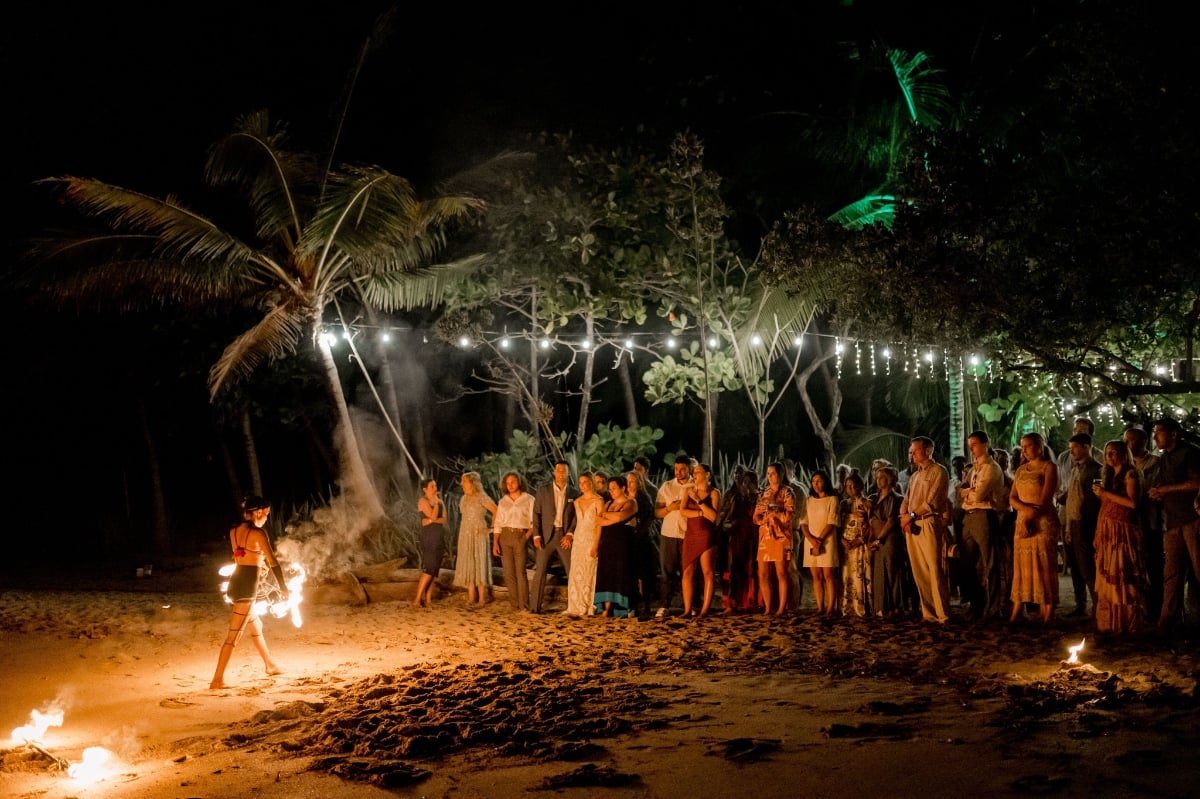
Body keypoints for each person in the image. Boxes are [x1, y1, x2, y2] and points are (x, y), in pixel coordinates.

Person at [210, 495, 287, 690]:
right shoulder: (258, 533)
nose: (267, 518)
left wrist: (258, 566)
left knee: (256, 626)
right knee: (233, 636)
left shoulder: (233, 531)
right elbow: (273, 561)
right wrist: (283, 587)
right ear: (258, 512)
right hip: (246, 589)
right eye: (266, 514)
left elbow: (241, 558)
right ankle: (217, 680)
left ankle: (270, 665)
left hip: (235, 584)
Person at [1147, 417, 1200, 633]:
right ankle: (1168, 620)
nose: (1155, 437)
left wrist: (1167, 490)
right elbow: (1164, 484)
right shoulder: (1163, 458)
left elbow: (1196, 482)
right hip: (1172, 521)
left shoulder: (1191, 453)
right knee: (1172, 572)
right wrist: (1157, 493)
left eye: (1159, 433)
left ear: (1173, 434)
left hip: (1192, 519)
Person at [1091, 440, 1148, 634]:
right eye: (1107, 453)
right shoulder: (1109, 475)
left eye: (1114, 453)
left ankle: (1127, 622)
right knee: (1107, 573)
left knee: (1122, 573)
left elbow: (1132, 503)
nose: (1109, 456)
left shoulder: (1131, 474)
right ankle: (1109, 622)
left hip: (1122, 531)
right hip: (1108, 528)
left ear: (1124, 454)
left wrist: (1105, 493)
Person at [899, 436, 954, 624]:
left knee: (934, 568)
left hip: (928, 523)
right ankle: (928, 612)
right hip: (912, 525)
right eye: (911, 451)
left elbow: (932, 502)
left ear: (928, 450)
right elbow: (906, 499)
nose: (912, 454)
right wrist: (904, 517)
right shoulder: (915, 476)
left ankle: (943, 613)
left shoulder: (939, 472)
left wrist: (911, 516)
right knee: (919, 569)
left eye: (916, 450)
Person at [1009, 432, 1060, 625]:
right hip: (1023, 519)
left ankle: (1047, 609)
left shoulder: (1049, 467)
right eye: (1023, 446)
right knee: (1022, 566)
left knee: (1043, 564)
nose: (1025, 450)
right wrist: (1025, 513)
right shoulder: (1021, 470)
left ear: (1039, 446)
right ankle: (1017, 609)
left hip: (1043, 520)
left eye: (1029, 445)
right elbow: (1012, 497)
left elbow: (1046, 498)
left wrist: (1031, 515)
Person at [958, 432, 1008, 621]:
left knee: (990, 562)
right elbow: (960, 490)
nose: (971, 448)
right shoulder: (975, 468)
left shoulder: (990, 468)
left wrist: (967, 493)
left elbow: (977, 496)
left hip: (984, 515)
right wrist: (967, 492)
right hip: (969, 516)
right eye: (969, 444)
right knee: (967, 563)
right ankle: (976, 604)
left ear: (986, 445)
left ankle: (993, 607)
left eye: (975, 444)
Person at [1057, 432, 1102, 616]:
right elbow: (1071, 498)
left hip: (1086, 522)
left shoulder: (1095, 470)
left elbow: (1094, 499)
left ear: (1086, 447)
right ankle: (1080, 603)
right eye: (1071, 448)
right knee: (1075, 565)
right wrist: (1068, 527)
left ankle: (1098, 604)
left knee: (1086, 565)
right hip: (1073, 521)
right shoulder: (1075, 469)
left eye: (1075, 448)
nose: (1072, 451)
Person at [1123, 425, 1163, 621]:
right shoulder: (1125, 466)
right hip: (1130, 523)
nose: (1126, 444)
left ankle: (1156, 608)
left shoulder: (1156, 463)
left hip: (1151, 521)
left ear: (1143, 442)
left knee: (1153, 565)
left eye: (1129, 440)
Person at [529, 461, 579, 614]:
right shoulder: (543, 491)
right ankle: (534, 607)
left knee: (572, 570)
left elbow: (577, 516)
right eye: (559, 470)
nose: (561, 473)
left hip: (564, 536)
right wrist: (536, 535)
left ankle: (574, 606)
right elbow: (536, 513)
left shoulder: (574, 493)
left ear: (568, 473)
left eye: (564, 471)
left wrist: (570, 534)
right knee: (540, 571)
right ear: (554, 472)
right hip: (546, 536)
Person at [593, 475, 639, 618]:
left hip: (623, 545)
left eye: (614, 488)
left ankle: (626, 608)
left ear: (623, 488)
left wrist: (607, 516)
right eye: (610, 488)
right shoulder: (608, 504)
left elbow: (621, 517)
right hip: (607, 544)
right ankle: (607, 608)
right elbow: (598, 521)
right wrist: (595, 545)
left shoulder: (631, 502)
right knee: (607, 575)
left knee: (622, 574)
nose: (611, 491)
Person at [654, 457, 694, 618]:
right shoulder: (667, 486)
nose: (678, 472)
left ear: (689, 469)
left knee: (689, 571)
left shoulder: (695, 486)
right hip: (669, 534)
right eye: (676, 469)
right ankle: (665, 604)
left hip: (688, 534)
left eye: (682, 469)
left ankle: (691, 604)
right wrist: (670, 508)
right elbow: (657, 512)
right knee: (667, 571)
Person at [680, 462, 721, 617]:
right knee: (687, 572)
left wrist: (698, 501)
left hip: (706, 535)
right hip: (691, 534)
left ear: (707, 474)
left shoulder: (714, 493)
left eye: (697, 472)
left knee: (708, 572)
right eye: (694, 472)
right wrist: (699, 513)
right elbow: (683, 511)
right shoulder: (689, 491)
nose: (694, 475)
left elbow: (713, 517)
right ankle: (687, 609)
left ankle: (704, 610)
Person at [800, 469, 841, 618]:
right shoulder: (809, 500)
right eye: (813, 481)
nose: (816, 484)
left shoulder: (832, 499)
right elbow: (803, 522)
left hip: (827, 540)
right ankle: (819, 606)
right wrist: (812, 540)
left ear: (825, 482)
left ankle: (831, 607)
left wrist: (820, 540)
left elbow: (832, 522)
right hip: (811, 541)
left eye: (819, 481)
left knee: (828, 574)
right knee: (816, 576)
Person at [720, 469, 761, 614]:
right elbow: (725, 518)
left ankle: (752, 602)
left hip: (755, 537)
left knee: (752, 570)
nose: (746, 484)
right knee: (734, 570)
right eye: (744, 481)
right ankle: (732, 603)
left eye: (749, 482)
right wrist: (729, 526)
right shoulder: (734, 497)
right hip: (737, 537)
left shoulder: (759, 497)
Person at [453, 471, 497, 607]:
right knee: (468, 563)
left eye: (464, 481)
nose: (461, 484)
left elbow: (496, 510)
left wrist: (491, 528)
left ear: (472, 483)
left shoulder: (481, 497)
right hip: (465, 533)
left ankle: (482, 598)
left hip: (478, 533)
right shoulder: (463, 498)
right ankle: (471, 597)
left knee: (479, 561)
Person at [493, 472, 535, 613]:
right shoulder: (503, 501)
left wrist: (525, 537)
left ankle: (525, 605)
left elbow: (533, 522)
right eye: (507, 483)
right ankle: (514, 605)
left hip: (520, 535)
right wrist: (495, 543)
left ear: (519, 482)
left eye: (513, 482)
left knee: (520, 572)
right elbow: (498, 523)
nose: (510, 485)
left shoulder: (529, 499)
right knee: (509, 573)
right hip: (505, 536)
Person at [867, 465, 905, 619]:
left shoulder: (895, 498)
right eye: (877, 477)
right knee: (879, 571)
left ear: (889, 480)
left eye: (881, 477)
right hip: (876, 536)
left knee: (892, 571)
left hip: (888, 538)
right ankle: (883, 605)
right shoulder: (875, 498)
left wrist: (879, 538)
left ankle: (896, 605)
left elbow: (890, 521)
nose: (878, 480)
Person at [564, 473, 603, 617]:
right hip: (579, 539)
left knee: (589, 572)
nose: (582, 485)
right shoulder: (577, 501)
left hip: (591, 538)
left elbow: (599, 525)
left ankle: (587, 605)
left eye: (585, 482)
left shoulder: (599, 501)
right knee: (576, 572)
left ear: (591, 482)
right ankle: (574, 604)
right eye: (580, 483)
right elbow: (576, 522)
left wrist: (596, 544)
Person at [626, 471, 660, 616]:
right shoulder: (625, 497)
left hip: (643, 539)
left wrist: (637, 531)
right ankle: (632, 605)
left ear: (638, 482)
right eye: (628, 481)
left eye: (632, 481)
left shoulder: (644, 498)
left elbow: (648, 519)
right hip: (628, 539)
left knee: (645, 574)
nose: (629, 484)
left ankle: (646, 605)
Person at [840, 472, 872, 617]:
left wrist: (860, 540)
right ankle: (848, 607)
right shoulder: (844, 504)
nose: (851, 489)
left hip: (860, 544)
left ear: (860, 486)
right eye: (848, 486)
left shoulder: (866, 503)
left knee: (860, 574)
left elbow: (871, 525)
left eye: (854, 486)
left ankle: (862, 607)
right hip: (846, 544)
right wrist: (843, 540)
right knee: (847, 575)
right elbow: (839, 525)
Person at [414, 478, 447, 608]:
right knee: (429, 568)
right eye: (432, 486)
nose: (435, 488)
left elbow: (443, 520)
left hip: (439, 536)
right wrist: (437, 506)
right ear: (425, 489)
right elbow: (433, 516)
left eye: (435, 485)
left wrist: (432, 520)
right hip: (429, 537)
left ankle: (428, 599)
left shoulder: (440, 501)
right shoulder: (423, 501)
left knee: (434, 570)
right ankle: (417, 599)